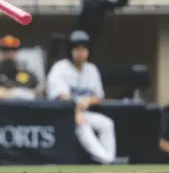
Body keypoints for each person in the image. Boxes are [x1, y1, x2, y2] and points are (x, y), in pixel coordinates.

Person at [46, 31, 117, 164]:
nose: (80, 52)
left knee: (107, 123)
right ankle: (106, 159)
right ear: (70, 50)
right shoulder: (60, 68)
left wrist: (88, 100)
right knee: (82, 125)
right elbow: (62, 97)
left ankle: (108, 157)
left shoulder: (91, 69)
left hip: (83, 112)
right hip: (63, 114)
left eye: (84, 48)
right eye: (77, 48)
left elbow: (99, 96)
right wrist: (76, 112)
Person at [0, 35, 40, 100]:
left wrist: (12, 93)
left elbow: (38, 92)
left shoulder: (29, 75)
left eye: (12, 51)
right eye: (5, 51)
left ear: (17, 53)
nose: (9, 54)